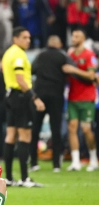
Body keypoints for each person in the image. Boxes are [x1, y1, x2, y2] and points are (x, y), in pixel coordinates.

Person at [1, 26, 45, 187]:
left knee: (10, 135)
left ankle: (9, 178)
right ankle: (25, 178)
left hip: (10, 95)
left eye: (29, 37)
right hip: (20, 96)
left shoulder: (8, 53)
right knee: (25, 136)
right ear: (15, 38)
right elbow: (20, 79)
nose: (28, 40)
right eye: (24, 37)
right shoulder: (19, 54)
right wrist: (35, 98)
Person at [30, 35, 72, 172]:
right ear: (59, 44)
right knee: (56, 130)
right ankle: (56, 165)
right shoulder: (62, 56)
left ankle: (34, 163)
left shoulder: (40, 55)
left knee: (35, 128)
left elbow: (32, 70)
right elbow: (71, 69)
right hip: (56, 96)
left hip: (40, 95)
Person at [62, 28, 98, 171]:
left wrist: (73, 70)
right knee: (72, 128)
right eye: (73, 36)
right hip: (72, 97)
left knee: (86, 129)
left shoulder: (89, 55)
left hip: (87, 97)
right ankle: (76, 161)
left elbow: (91, 76)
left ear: (83, 39)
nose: (74, 38)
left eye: (77, 36)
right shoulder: (70, 54)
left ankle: (93, 159)